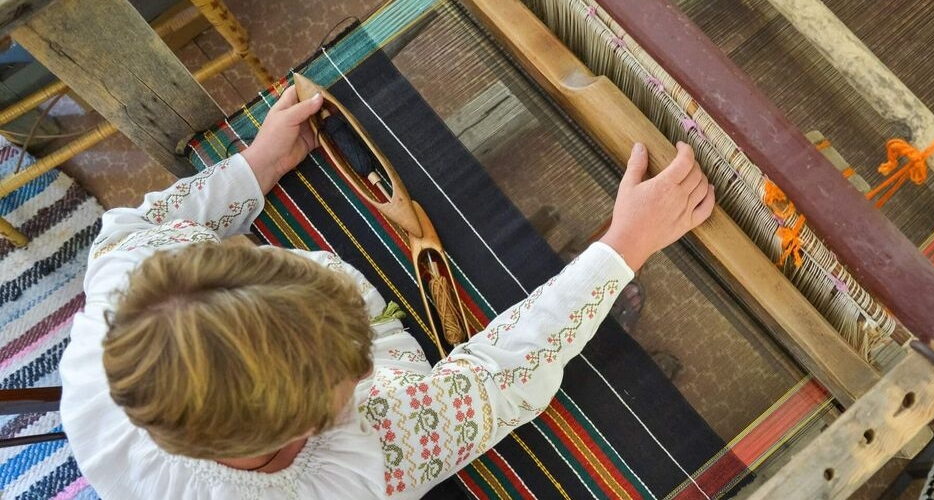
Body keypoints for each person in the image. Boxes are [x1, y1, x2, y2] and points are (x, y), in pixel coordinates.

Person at [60, 85, 715, 499]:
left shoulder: (129, 285)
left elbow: (143, 226)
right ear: (317, 422)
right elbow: (498, 377)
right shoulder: (359, 466)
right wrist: (627, 242)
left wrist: (257, 166)